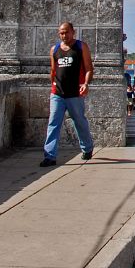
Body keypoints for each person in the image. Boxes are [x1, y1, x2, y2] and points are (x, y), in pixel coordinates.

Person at [41, 22, 94, 167]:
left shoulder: (81, 47)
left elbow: (89, 68)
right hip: (57, 93)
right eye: (61, 33)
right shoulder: (55, 49)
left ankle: (87, 148)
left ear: (73, 32)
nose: (64, 35)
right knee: (53, 123)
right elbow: (53, 70)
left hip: (75, 93)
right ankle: (49, 156)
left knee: (79, 122)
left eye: (66, 32)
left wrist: (85, 84)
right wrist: (53, 85)